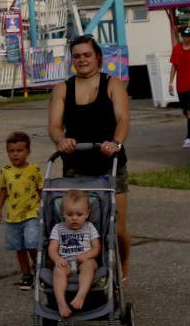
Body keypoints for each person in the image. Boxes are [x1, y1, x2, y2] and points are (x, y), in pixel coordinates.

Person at [47, 35, 130, 279]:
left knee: (117, 227)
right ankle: (81, 269)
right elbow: (54, 125)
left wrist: (116, 142)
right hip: (76, 166)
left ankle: (123, 269)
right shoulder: (63, 88)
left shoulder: (113, 84)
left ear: (98, 58)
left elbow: (123, 120)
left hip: (110, 162)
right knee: (78, 225)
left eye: (87, 55)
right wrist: (60, 140)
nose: (82, 60)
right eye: (77, 56)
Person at [0, 131, 44, 290]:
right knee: (19, 247)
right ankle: (26, 274)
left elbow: (42, 191)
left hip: (31, 214)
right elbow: (3, 191)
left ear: (28, 151)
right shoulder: (6, 171)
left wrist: (45, 209)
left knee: (32, 243)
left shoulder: (35, 170)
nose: (15, 155)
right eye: (11, 151)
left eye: (19, 151)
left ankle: (38, 268)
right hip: (13, 217)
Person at [47, 188, 101, 320]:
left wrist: (87, 255)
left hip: (85, 260)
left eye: (79, 214)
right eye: (69, 214)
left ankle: (81, 295)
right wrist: (57, 259)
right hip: (65, 262)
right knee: (58, 270)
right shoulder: (58, 228)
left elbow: (97, 248)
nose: (74, 218)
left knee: (89, 265)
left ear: (87, 214)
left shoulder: (90, 227)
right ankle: (61, 303)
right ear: (63, 214)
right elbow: (52, 248)